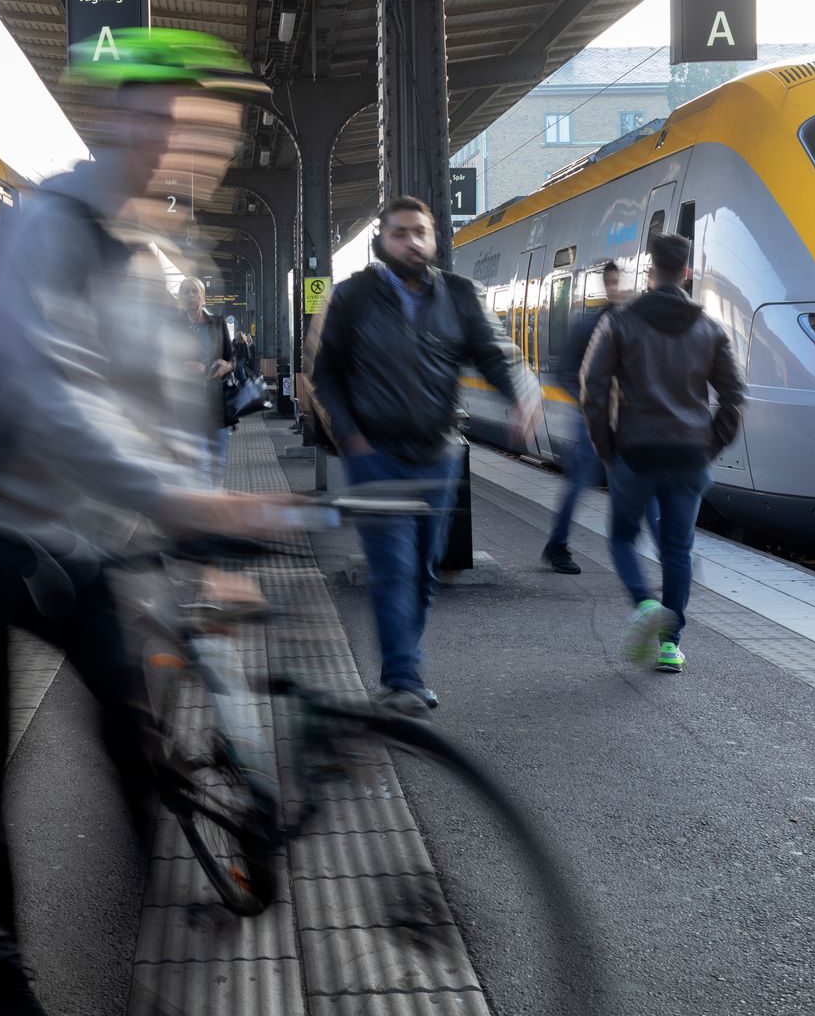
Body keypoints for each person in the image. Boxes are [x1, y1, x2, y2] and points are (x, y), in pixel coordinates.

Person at [0, 29, 289, 1016]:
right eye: (161, 119)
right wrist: (177, 499)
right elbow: (48, 392)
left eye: (199, 129)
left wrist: (205, 540)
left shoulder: (154, 254)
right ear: (118, 121)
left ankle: (155, 930)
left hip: (74, 536)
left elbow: (162, 414)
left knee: (130, 722)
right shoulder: (42, 228)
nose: (181, 144)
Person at [312, 196, 540, 716]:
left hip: (436, 457)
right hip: (375, 456)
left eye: (421, 232)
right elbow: (326, 374)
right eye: (400, 233)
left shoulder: (460, 296)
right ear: (381, 242)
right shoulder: (352, 298)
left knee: (424, 571)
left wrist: (520, 392)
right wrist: (350, 436)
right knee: (394, 567)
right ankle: (401, 677)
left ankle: (403, 668)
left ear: (434, 238)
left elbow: (493, 353)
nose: (412, 242)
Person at [579, 232, 745, 674]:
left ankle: (645, 604)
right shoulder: (710, 328)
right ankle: (670, 645)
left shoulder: (619, 323)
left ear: (649, 272)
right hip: (689, 456)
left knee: (620, 537)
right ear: (687, 273)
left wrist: (605, 446)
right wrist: (710, 444)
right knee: (677, 550)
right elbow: (734, 395)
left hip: (634, 452)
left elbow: (592, 389)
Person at [542, 260, 642, 575]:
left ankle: (638, 547)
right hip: (590, 421)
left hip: (628, 423)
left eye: (619, 282)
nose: (615, 288)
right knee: (580, 482)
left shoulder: (638, 326)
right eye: (610, 283)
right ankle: (557, 545)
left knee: (633, 484)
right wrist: (590, 401)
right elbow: (562, 372)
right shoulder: (589, 326)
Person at [177, 277, 234, 485]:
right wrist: (183, 366)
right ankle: (210, 507)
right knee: (201, 459)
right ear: (180, 298)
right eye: (185, 292)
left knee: (218, 462)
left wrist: (227, 366)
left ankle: (214, 498)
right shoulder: (174, 326)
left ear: (203, 296)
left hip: (218, 401)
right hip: (189, 403)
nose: (190, 296)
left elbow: (232, 357)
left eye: (194, 292)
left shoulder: (218, 323)